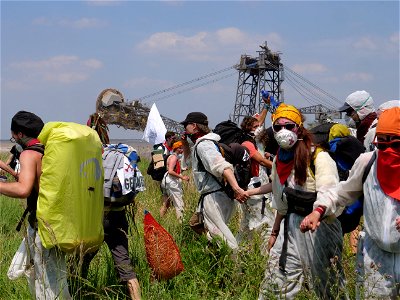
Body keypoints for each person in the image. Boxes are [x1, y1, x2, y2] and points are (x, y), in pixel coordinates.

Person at [245, 104, 348, 299]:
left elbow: (331, 192)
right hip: (290, 227)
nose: (283, 131)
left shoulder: (318, 156)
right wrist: (275, 231)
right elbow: (280, 199)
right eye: (278, 127)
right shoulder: (279, 160)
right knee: (277, 281)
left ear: (299, 128)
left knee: (327, 285)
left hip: (320, 228)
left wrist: (317, 212)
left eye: (289, 126)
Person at [301, 106, 400, 299]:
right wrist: (319, 210)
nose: (387, 150)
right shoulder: (368, 163)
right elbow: (341, 192)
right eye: (382, 144)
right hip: (376, 258)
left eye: (395, 144)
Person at [0, 111, 72, 299]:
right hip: (59, 221)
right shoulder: (48, 150)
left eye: (13, 135)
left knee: (47, 279)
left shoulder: (28, 154)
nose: (14, 138)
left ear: (20, 134)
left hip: (42, 224)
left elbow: (23, 189)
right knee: (55, 275)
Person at [85, 114, 141, 300]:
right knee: (125, 266)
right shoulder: (119, 154)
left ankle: (77, 292)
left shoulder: (88, 156)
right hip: (119, 217)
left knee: (80, 262)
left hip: (96, 218)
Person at [181, 112, 247, 251]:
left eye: (186, 125)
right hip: (218, 195)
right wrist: (185, 144)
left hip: (215, 197)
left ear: (194, 126)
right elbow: (188, 163)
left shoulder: (204, 145)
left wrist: (237, 189)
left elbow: (222, 166)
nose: (185, 129)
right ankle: (220, 262)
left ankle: (235, 268)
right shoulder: (205, 143)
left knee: (223, 238)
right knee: (209, 232)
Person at [160, 140, 190, 221]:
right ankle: (182, 222)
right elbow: (170, 171)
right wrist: (182, 177)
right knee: (179, 203)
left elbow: (172, 170)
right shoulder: (174, 157)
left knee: (166, 203)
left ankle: (160, 221)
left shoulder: (172, 156)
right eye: (181, 148)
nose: (183, 150)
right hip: (171, 182)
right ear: (177, 148)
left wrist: (182, 170)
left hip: (166, 181)